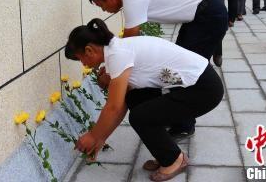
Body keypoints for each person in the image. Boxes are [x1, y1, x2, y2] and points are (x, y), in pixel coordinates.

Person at [67, 19, 224, 182]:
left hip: (203, 90)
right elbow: (121, 105)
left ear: (89, 50)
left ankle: (175, 160)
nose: (84, 64)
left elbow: (113, 107)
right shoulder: (117, 48)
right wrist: (100, 138)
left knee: (140, 117)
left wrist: (93, 136)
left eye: (80, 59)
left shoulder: (117, 55)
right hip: (195, 84)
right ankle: (166, 152)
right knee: (135, 99)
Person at [87, 0, 228, 137]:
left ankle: (183, 125)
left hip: (208, 17)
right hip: (201, 16)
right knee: (178, 71)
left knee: (184, 73)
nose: (104, 10)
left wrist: (112, 71)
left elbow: (129, 42)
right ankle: (174, 118)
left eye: (101, 5)